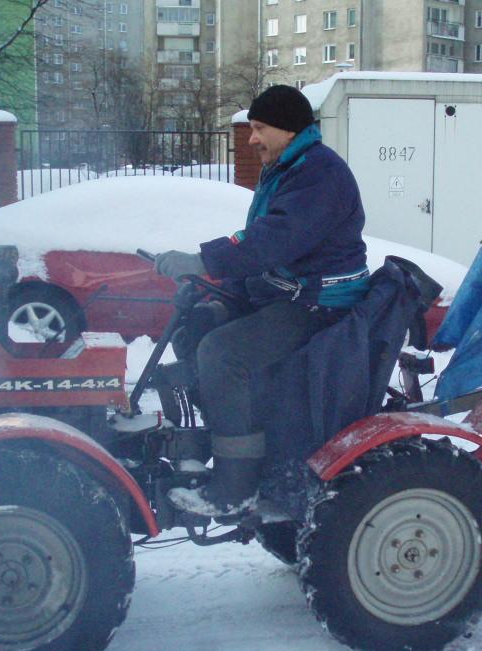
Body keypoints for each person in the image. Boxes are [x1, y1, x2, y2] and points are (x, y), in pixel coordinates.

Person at [154, 84, 370, 519]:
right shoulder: (289, 166)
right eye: (250, 127)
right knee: (196, 325)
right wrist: (214, 282)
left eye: (259, 128)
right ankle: (233, 435)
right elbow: (260, 241)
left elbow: (276, 240)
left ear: (288, 129)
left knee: (222, 353)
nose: (252, 138)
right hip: (287, 292)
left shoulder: (318, 173)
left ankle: (236, 484)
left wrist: (203, 260)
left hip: (320, 305)